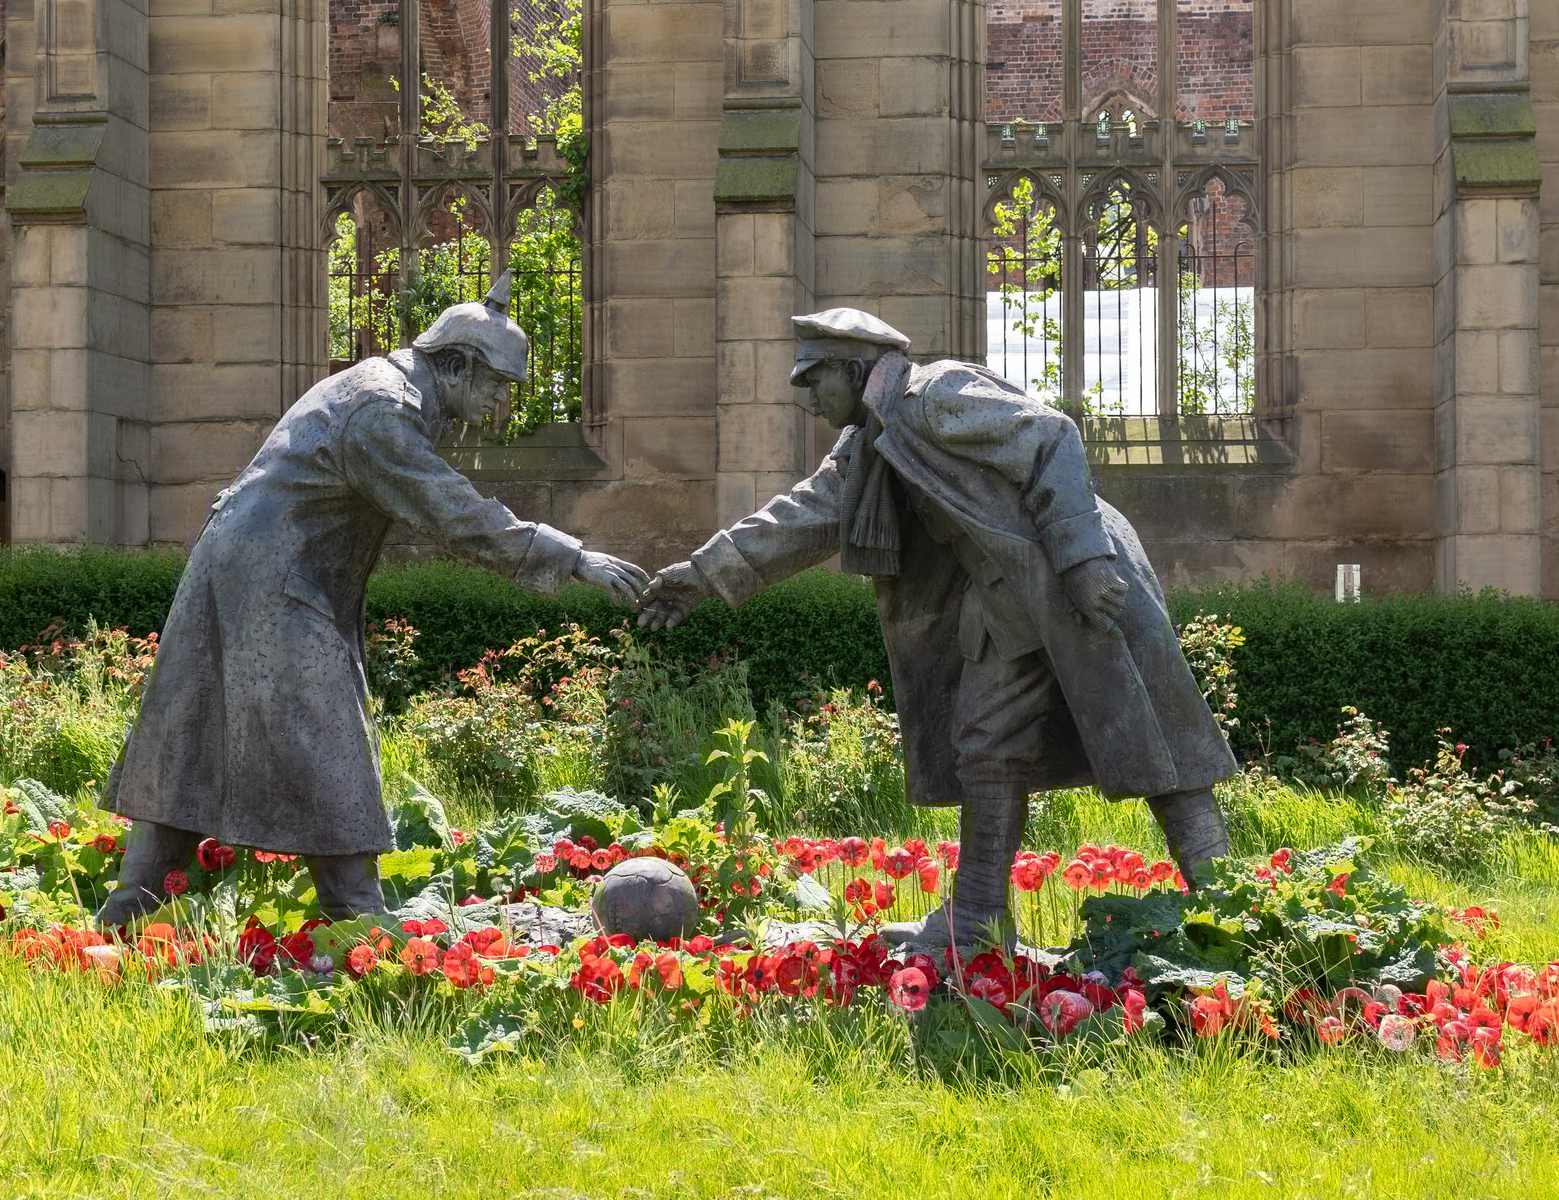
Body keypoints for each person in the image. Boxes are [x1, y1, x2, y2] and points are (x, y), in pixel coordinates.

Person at [637, 308, 1237, 954]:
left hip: (1076, 570)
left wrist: (1083, 560)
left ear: (851, 368)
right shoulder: (869, 440)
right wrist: (701, 574)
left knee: (1159, 745)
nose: (809, 400)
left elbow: (1054, 436)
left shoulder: (934, 395)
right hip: (1010, 597)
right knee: (986, 741)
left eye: (814, 381)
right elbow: (801, 517)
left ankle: (1231, 911)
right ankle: (977, 917)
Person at [96, 275, 649, 927]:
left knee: (194, 723)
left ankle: (133, 906)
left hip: (250, 562)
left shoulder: (395, 392)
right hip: (275, 573)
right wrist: (574, 556)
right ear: (460, 363)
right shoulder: (381, 409)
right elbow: (451, 510)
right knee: (325, 731)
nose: (503, 400)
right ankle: (354, 913)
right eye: (499, 383)